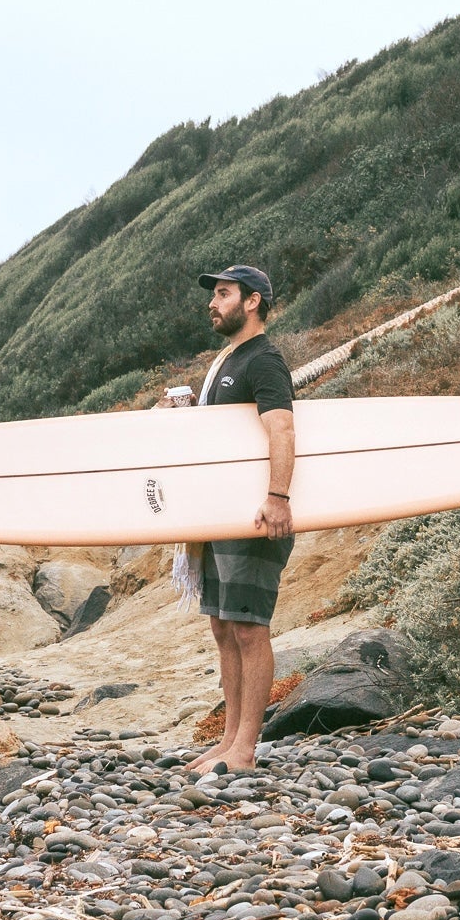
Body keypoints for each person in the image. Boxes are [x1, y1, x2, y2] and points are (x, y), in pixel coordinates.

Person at [166, 265, 295, 775]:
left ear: (254, 301)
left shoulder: (264, 361)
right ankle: (228, 740)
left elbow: (281, 430)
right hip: (222, 516)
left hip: (255, 516)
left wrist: (278, 497)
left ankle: (246, 748)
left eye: (223, 294)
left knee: (248, 628)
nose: (212, 303)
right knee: (223, 627)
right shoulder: (228, 359)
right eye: (214, 295)